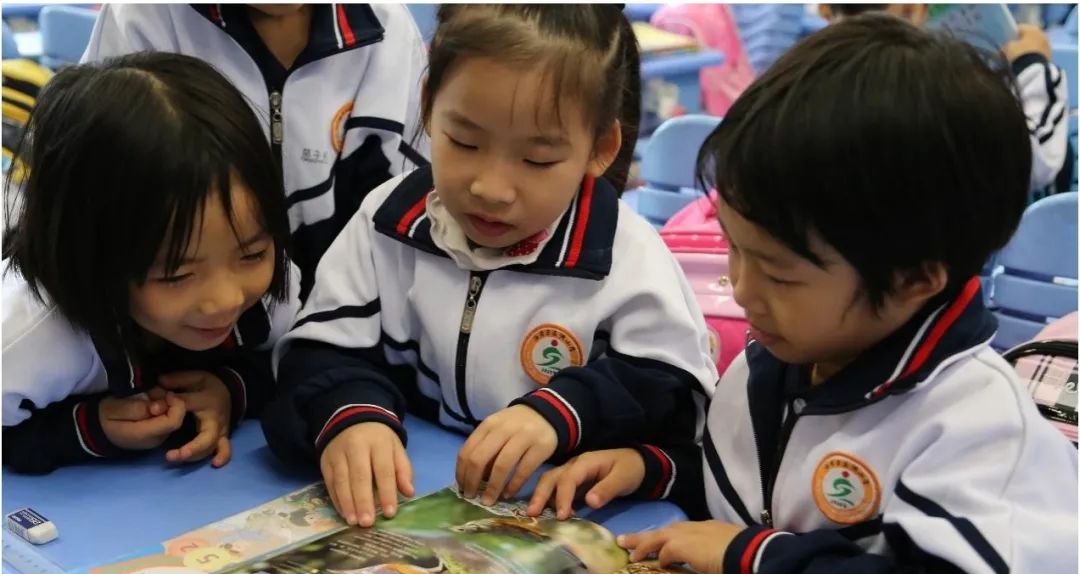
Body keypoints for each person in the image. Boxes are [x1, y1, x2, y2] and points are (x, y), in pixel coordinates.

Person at [527, 15, 1078, 574]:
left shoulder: (974, 429)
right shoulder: (780, 361)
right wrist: (654, 468)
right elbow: (765, 489)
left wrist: (752, 558)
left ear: (915, 280)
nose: (741, 289)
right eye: (734, 247)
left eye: (781, 275)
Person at [262, 4, 718, 527]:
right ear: (429, 103)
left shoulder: (626, 258)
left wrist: (560, 413)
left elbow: (674, 395)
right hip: (416, 497)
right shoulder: (387, 222)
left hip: (573, 517)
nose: (490, 189)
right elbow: (320, 351)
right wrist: (350, 415)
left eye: (538, 160)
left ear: (600, 148)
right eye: (465, 141)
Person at [2, 52, 301, 474]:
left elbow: (302, 360)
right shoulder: (25, 339)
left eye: (252, 254)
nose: (226, 298)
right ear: (89, 256)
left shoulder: (268, 293)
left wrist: (232, 391)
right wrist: (86, 429)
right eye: (177, 274)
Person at [82, 4, 429, 298]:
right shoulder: (142, 19)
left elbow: (403, 220)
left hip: (338, 328)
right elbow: (96, 217)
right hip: (173, 333)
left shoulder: (387, 29)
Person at [821, 3, 1073, 194]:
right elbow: (1033, 162)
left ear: (824, 10)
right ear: (913, 11)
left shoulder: (810, 82)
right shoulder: (939, 94)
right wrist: (1032, 63)